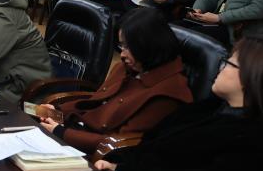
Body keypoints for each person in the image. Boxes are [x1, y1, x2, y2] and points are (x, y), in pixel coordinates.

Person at [94, 35, 263, 171]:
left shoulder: (252, 139)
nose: (220, 68)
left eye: (229, 63)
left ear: (251, 77)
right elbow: (152, 144)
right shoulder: (209, 108)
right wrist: (118, 164)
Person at [37, 8, 192, 152]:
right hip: (77, 129)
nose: (122, 54)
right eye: (122, 46)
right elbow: (96, 101)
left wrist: (61, 132)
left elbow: (122, 143)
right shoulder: (129, 67)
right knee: (30, 115)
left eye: (128, 47)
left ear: (149, 45)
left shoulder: (168, 93)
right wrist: (58, 111)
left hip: (96, 154)